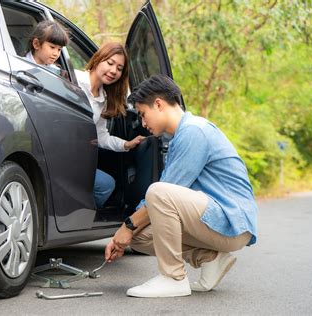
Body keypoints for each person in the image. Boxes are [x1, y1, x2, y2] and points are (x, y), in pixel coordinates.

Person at [104, 74, 258, 298]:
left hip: (231, 221)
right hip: (213, 219)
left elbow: (163, 192)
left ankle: (173, 278)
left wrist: (126, 225)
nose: (143, 123)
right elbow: (159, 201)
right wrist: (128, 230)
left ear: (159, 104)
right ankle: (210, 259)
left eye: (143, 114)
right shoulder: (180, 136)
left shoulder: (194, 131)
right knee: (139, 236)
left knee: (154, 196)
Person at [76, 43, 145, 209]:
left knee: (106, 184)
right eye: (110, 63)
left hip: (79, 159)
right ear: (98, 60)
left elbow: (100, 136)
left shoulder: (104, 99)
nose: (114, 71)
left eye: (120, 68)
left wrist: (126, 144)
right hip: (58, 152)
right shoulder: (73, 79)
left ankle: (81, 219)